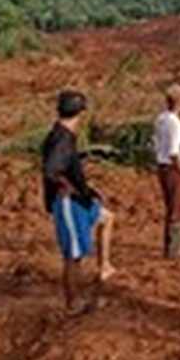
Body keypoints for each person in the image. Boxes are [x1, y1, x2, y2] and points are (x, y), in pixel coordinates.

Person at [42, 90, 116, 313]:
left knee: (106, 218)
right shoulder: (63, 139)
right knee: (73, 256)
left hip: (79, 198)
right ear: (81, 114)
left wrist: (87, 190)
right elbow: (52, 171)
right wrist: (69, 188)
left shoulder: (60, 134)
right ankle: (73, 303)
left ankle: (104, 266)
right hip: (69, 202)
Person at [153, 84, 180, 259]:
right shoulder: (174, 123)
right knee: (178, 207)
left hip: (162, 166)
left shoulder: (162, 118)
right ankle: (174, 249)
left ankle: (170, 245)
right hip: (173, 167)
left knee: (171, 206)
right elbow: (174, 151)